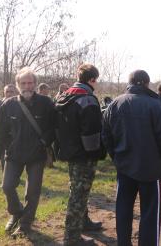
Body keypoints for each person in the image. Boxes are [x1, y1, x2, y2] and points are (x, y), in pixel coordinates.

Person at [102, 70, 161, 246]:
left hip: (124, 167)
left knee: (123, 208)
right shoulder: (155, 104)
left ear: (130, 83)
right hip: (150, 170)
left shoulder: (115, 104)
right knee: (150, 212)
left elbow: (106, 136)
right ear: (145, 83)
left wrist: (116, 158)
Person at [0, 67, 55, 238]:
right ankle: (16, 212)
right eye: (24, 83)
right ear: (18, 84)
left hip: (37, 155)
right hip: (13, 155)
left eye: (30, 83)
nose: (27, 86)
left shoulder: (46, 103)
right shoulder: (8, 104)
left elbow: (53, 127)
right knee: (7, 186)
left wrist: (44, 142)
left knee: (32, 191)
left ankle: (25, 223)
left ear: (35, 83)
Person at [55, 64, 105, 246]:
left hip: (69, 152)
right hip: (84, 155)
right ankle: (72, 239)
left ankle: (84, 223)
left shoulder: (64, 95)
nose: (96, 83)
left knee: (76, 189)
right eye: (96, 80)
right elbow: (91, 132)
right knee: (78, 194)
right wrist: (95, 154)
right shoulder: (88, 99)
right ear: (92, 79)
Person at [0, 84, 18, 171]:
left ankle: (13, 174)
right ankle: (5, 175)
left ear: (16, 92)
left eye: (11, 92)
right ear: (4, 93)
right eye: (7, 92)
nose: (9, 94)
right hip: (1, 135)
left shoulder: (20, 104)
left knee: (14, 157)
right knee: (2, 156)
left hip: (15, 136)